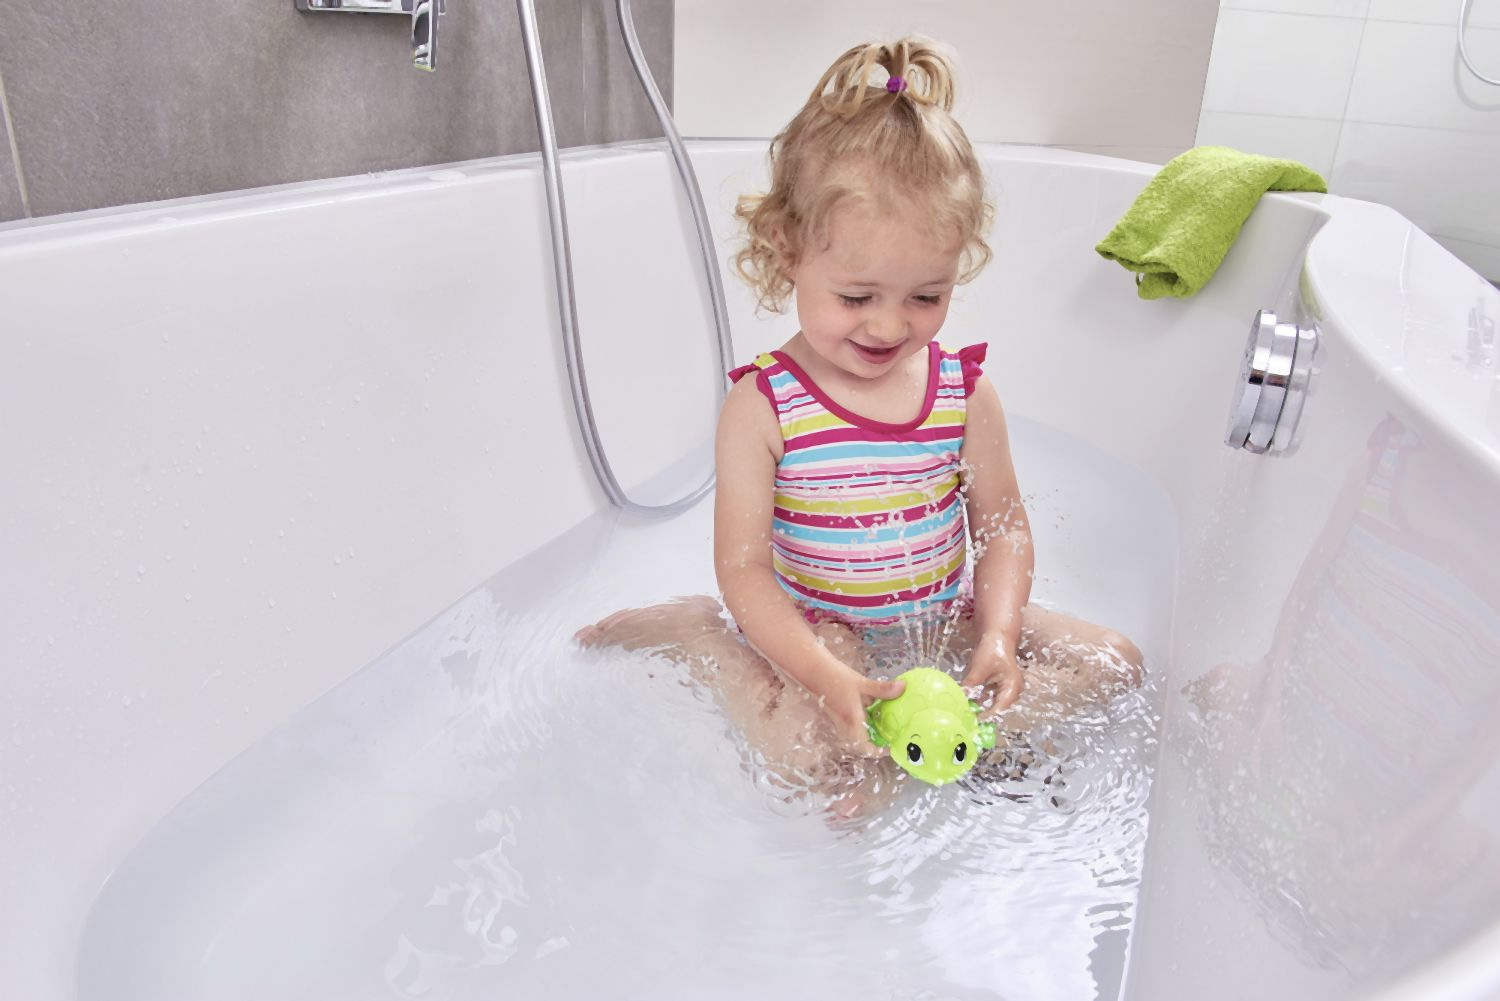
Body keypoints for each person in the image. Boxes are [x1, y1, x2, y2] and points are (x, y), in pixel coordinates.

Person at [577, 37, 1142, 815]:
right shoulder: (764, 407)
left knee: (1116, 662)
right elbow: (744, 570)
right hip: (824, 631)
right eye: (856, 297)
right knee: (810, 764)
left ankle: (929, 742)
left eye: (925, 296)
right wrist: (822, 674)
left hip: (940, 621)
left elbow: (1004, 526)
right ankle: (700, 639)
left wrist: (998, 635)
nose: (888, 325)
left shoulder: (964, 393)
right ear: (788, 251)